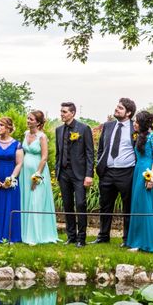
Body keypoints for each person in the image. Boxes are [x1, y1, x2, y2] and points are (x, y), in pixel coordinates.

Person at [93, 98, 136, 247]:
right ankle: (103, 236)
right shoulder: (108, 126)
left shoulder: (134, 128)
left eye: (120, 108)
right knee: (105, 205)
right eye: (117, 107)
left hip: (127, 173)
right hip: (107, 173)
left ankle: (127, 239)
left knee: (127, 207)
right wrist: (100, 164)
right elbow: (101, 148)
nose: (116, 109)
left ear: (128, 113)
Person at [126, 111, 153, 253]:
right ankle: (139, 240)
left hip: (147, 173)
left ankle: (145, 242)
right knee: (138, 206)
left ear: (143, 123)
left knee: (146, 207)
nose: (134, 124)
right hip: (138, 172)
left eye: (136, 122)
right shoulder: (140, 136)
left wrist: (151, 177)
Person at [55, 102, 94, 248]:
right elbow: (58, 153)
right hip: (63, 173)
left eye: (64, 112)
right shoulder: (59, 130)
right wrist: (57, 170)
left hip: (79, 174)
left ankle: (81, 238)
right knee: (67, 205)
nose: (62, 114)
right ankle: (71, 236)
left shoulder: (84, 129)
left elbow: (90, 153)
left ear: (72, 113)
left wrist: (89, 174)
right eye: (61, 111)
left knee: (80, 204)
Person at [19, 111, 58, 245]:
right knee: (26, 200)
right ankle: (26, 233)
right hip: (24, 172)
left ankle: (37, 235)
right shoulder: (25, 134)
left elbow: (45, 157)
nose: (28, 120)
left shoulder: (42, 136)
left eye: (31, 119)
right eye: (28, 118)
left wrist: (37, 175)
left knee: (36, 201)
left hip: (38, 171)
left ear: (38, 122)